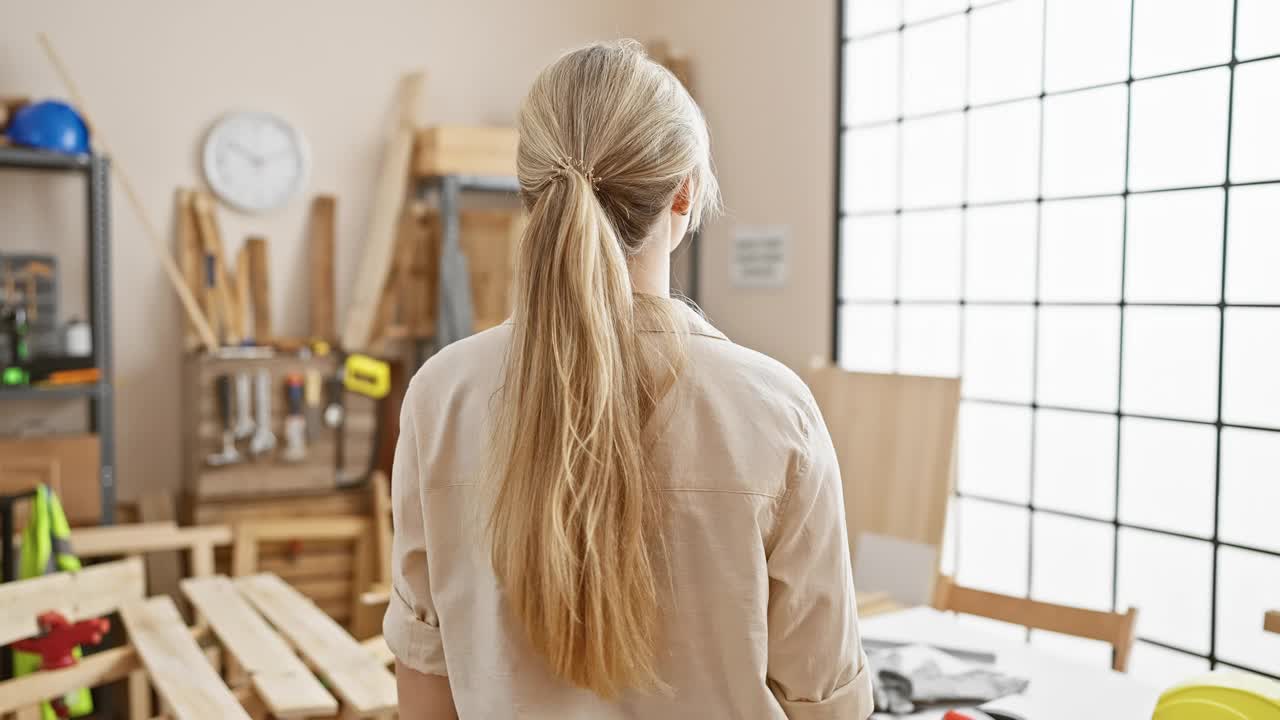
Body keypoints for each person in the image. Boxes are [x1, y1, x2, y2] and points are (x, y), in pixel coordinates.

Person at [386, 39, 873, 719]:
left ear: (531, 194)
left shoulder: (443, 395)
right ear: (685, 194)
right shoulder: (772, 409)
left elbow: (425, 680)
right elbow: (823, 702)